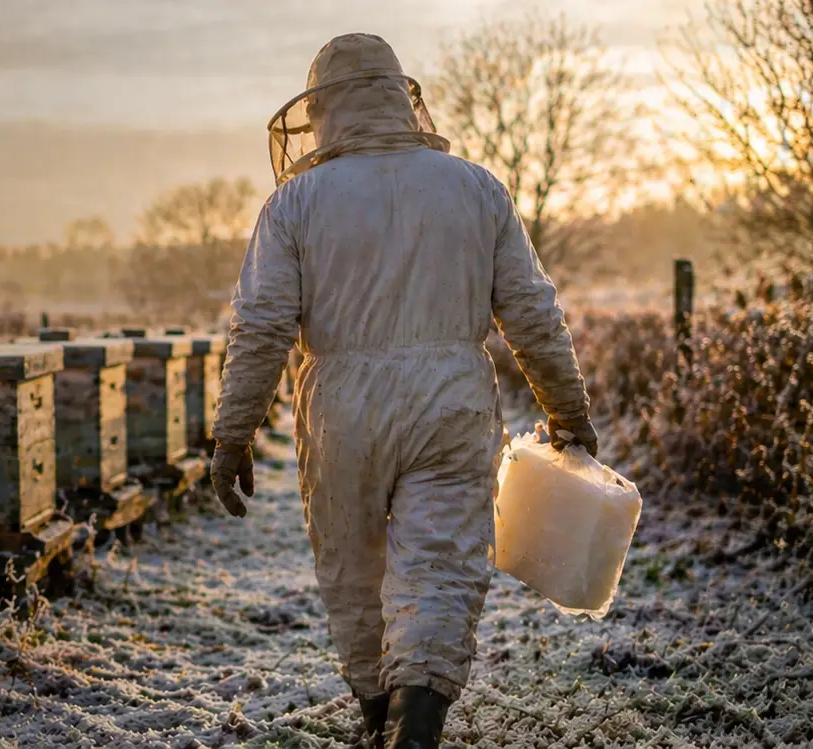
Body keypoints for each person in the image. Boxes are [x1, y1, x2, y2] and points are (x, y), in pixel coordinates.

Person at [205, 33, 598, 749]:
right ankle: (415, 727)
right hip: (451, 400)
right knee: (441, 564)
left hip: (342, 411)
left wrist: (233, 433)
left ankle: (377, 714)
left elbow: (262, 327)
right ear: (399, 98)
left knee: (354, 568)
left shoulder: (295, 204)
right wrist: (566, 409)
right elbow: (532, 312)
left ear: (320, 111)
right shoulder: (475, 188)